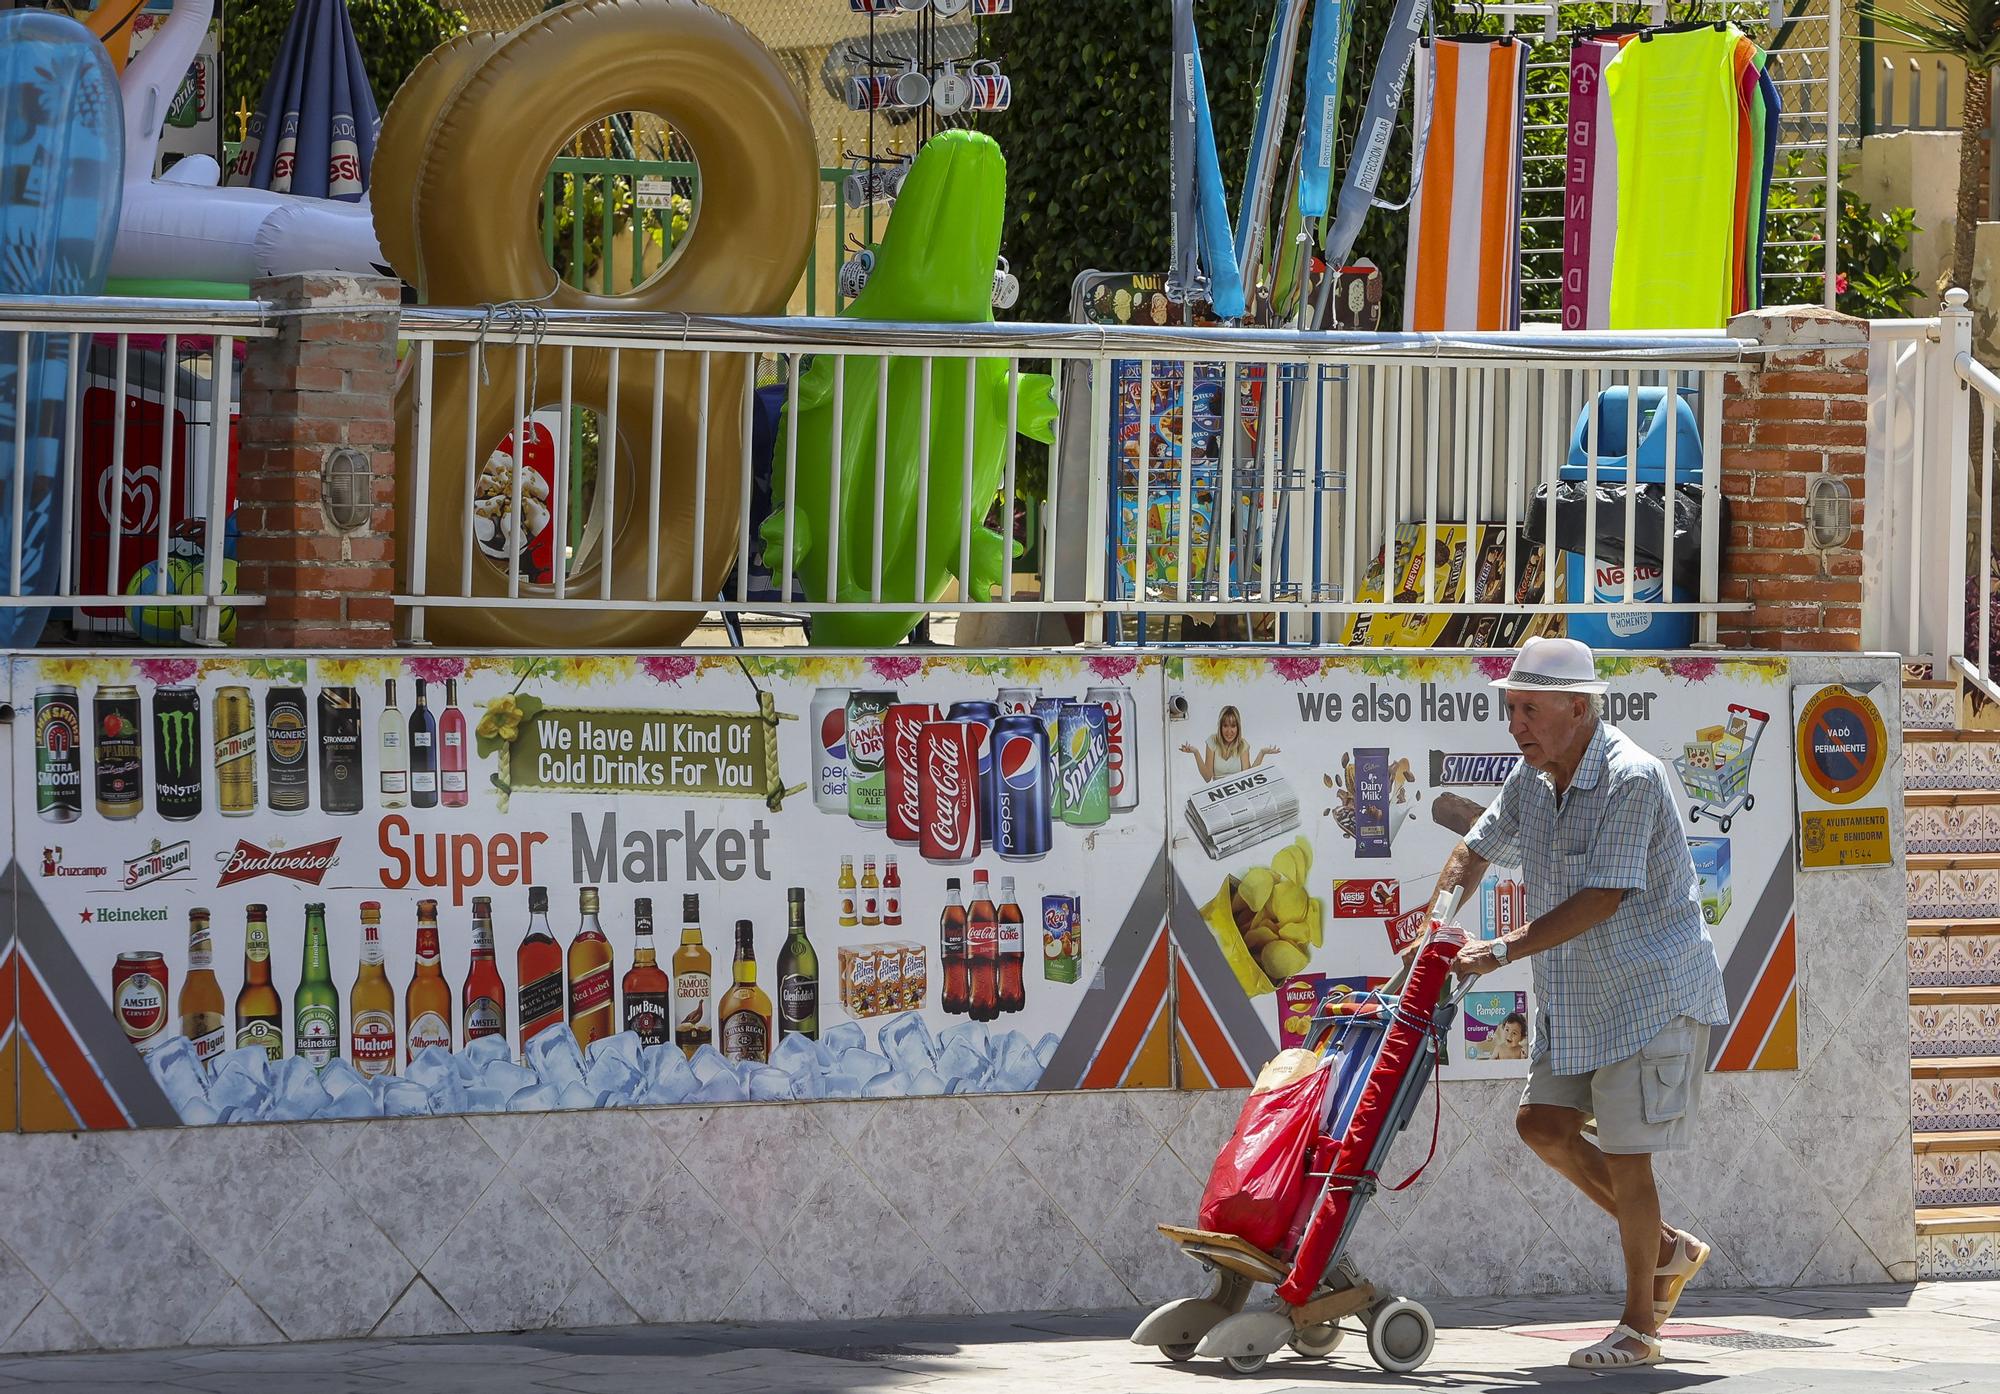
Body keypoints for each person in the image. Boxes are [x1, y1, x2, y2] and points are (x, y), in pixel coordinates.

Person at [1436, 636, 1730, 1371]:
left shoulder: (1633, 777)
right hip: (1577, 995)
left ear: (1579, 707)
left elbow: (1603, 897)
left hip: (1650, 991)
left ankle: (1639, 1328)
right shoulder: (1531, 779)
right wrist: (1437, 918)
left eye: (1529, 710)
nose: (1517, 726)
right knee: (1542, 1124)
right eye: (1511, 710)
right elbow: (1475, 848)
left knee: (1630, 1161)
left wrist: (1496, 950)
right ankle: (1666, 1248)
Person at [1179, 704, 1278, 781]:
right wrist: (1196, 753)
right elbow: (1207, 778)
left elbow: (1248, 777)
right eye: (1225, 725)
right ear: (1220, 727)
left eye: (1233, 726)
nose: (1229, 731)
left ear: (1238, 727)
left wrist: (1262, 753)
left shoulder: (1243, 745)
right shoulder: (1212, 741)